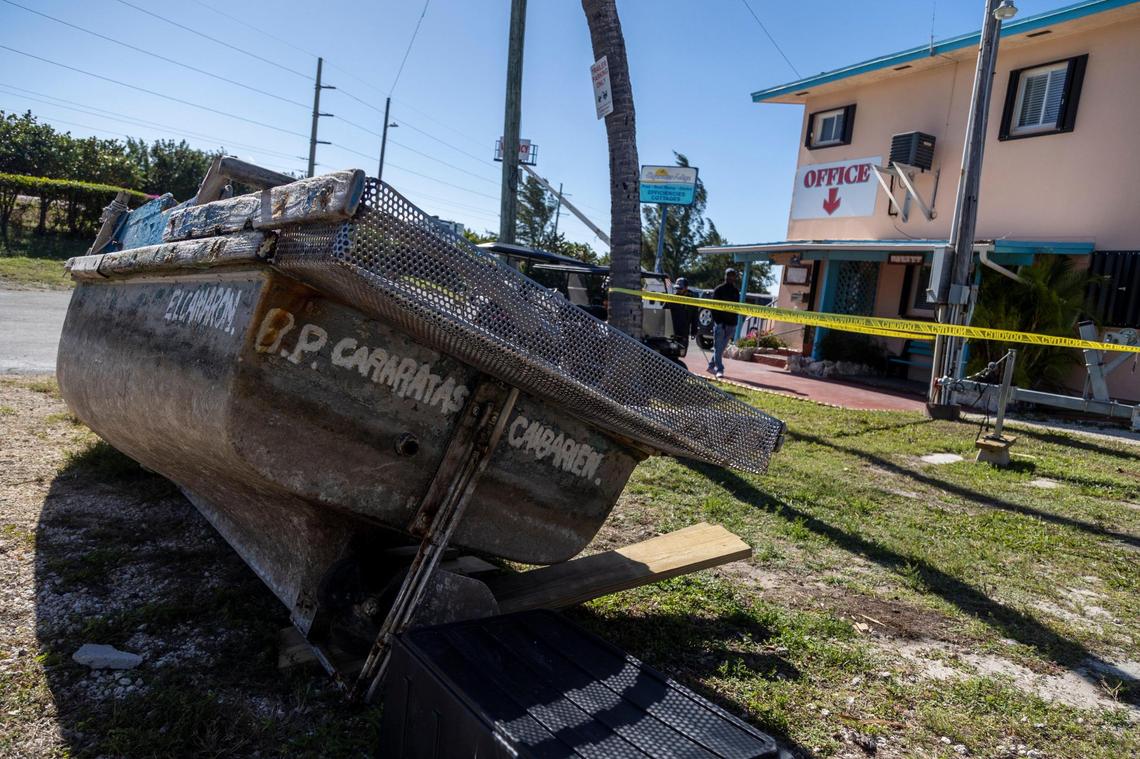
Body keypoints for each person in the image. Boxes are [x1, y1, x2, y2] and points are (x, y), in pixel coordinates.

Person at [708, 268, 741, 379]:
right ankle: (720, 369)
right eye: (728, 275)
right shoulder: (718, 289)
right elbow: (714, 308)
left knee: (721, 348)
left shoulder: (736, 291)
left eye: (732, 275)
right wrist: (718, 322)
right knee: (718, 347)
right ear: (725, 276)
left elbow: (736, 307)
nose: (730, 278)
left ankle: (711, 365)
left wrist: (735, 321)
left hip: (731, 323)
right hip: (720, 324)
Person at [666, 277, 698, 345]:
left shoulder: (692, 301)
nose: (678, 290)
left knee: (682, 351)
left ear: (686, 288)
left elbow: (695, 317)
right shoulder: (672, 299)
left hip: (684, 333)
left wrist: (694, 331)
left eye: (680, 288)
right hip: (671, 332)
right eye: (677, 288)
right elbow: (664, 312)